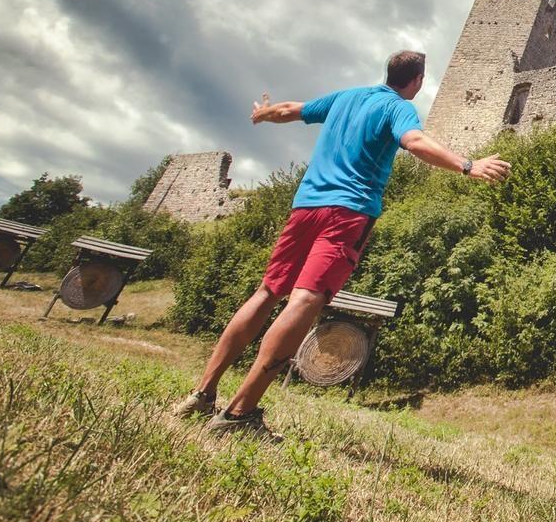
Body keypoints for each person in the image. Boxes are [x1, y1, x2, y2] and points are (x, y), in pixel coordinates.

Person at [173, 49, 508, 439]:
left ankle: (203, 393)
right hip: (347, 214)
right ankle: (238, 415)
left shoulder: (345, 97)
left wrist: (264, 114)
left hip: (305, 207)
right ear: (416, 81)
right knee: (304, 300)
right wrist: (468, 165)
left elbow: (292, 109)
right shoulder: (397, 107)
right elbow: (414, 141)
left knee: (267, 293)